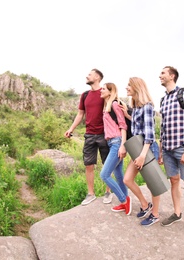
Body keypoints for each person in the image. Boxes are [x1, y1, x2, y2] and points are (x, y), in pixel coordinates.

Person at [158, 66, 184, 237]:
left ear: (172, 75)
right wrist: (161, 151)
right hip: (168, 149)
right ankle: (177, 213)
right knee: (174, 181)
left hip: (183, 147)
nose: (160, 75)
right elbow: (162, 127)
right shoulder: (163, 100)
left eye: (163, 73)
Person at [65, 69, 112, 206]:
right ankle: (91, 194)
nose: (87, 76)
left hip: (105, 135)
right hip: (90, 135)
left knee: (107, 164)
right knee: (88, 164)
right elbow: (80, 114)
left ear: (97, 77)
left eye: (89, 74)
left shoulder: (105, 93)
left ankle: (108, 191)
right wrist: (70, 129)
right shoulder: (85, 95)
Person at [121, 77, 160, 226]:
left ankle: (155, 215)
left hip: (147, 149)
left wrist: (143, 155)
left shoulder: (148, 107)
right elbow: (139, 125)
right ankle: (145, 205)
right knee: (127, 180)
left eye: (129, 85)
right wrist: (128, 116)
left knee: (153, 184)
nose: (126, 87)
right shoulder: (137, 108)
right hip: (138, 149)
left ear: (137, 87)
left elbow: (149, 135)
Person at [99, 82, 132, 215]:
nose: (101, 90)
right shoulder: (106, 106)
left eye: (104, 89)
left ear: (110, 91)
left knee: (105, 175)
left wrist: (123, 146)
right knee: (118, 175)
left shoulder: (114, 104)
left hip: (117, 142)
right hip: (111, 142)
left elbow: (123, 125)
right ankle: (125, 203)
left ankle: (124, 200)